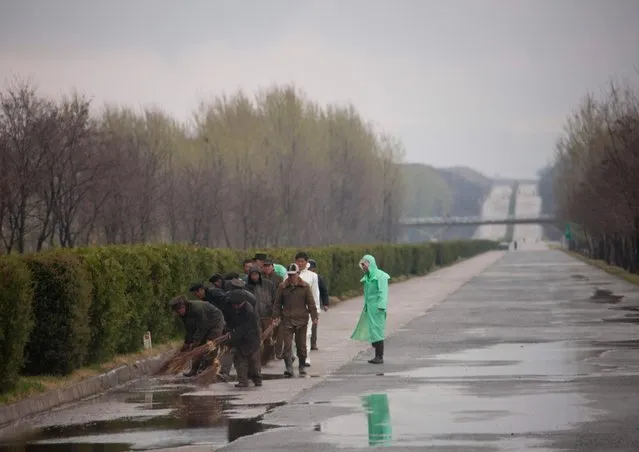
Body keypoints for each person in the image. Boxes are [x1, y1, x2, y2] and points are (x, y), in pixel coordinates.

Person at [273, 263, 318, 377]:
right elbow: (277, 303)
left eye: (293, 275)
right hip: (287, 319)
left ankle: (302, 366)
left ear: (298, 274)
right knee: (287, 346)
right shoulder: (282, 286)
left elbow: (311, 303)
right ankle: (288, 367)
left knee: (301, 346)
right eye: (289, 275)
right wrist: (276, 317)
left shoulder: (305, 286)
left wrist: (314, 317)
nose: (291, 277)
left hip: (302, 320)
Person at [169, 295, 226, 377]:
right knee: (195, 348)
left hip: (215, 321)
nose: (179, 313)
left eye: (179, 310)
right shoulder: (183, 315)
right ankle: (193, 370)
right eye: (177, 311)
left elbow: (203, 325)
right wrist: (187, 342)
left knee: (211, 345)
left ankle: (205, 369)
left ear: (183, 306)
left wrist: (196, 340)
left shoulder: (197, 309)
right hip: (203, 324)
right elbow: (189, 329)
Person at [350, 254, 390, 364]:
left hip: (378, 308)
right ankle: (377, 354)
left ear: (371, 264)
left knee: (377, 331)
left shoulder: (381, 276)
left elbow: (383, 292)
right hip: (369, 307)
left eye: (366, 265)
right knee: (372, 330)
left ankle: (379, 356)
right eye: (362, 265)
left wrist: (381, 306)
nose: (364, 267)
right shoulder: (367, 277)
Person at [224, 290, 262, 388]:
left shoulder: (249, 311)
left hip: (251, 337)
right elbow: (228, 320)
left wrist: (231, 340)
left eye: (238, 304)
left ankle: (257, 379)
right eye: (234, 304)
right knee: (239, 360)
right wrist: (228, 330)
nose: (235, 306)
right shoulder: (229, 306)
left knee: (253, 361)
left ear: (243, 302)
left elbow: (243, 329)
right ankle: (243, 381)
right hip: (238, 336)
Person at [245, 266, 277, 365]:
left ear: (259, 275)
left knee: (268, 339)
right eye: (252, 275)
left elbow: (275, 299)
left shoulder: (269, 284)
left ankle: (265, 359)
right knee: (256, 338)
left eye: (256, 274)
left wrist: (275, 313)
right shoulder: (246, 287)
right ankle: (256, 359)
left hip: (267, 315)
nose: (254, 277)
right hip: (254, 317)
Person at [295, 251, 320, 367]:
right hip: (292, 309)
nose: (300, 263)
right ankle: (296, 354)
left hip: (307, 310)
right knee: (294, 335)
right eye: (298, 261)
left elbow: (315, 294)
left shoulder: (312, 276)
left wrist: (316, 311)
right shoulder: (290, 273)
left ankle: (306, 357)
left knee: (307, 334)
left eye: (302, 261)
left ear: (306, 262)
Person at [263, 259, 284, 359]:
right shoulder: (260, 277)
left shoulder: (278, 278)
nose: (267, 268)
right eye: (265, 266)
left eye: (268, 266)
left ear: (272, 267)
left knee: (277, 331)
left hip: (275, 306)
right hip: (264, 308)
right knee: (267, 331)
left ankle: (278, 352)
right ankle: (269, 353)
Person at [308, 259, 329, 351]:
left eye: (311, 268)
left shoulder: (318, 278)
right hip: (302, 304)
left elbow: (324, 291)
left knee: (313, 324)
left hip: (314, 304)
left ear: (314, 269)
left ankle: (313, 343)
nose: (309, 269)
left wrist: (325, 304)